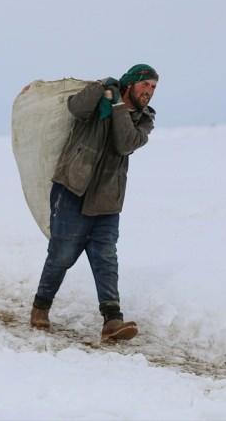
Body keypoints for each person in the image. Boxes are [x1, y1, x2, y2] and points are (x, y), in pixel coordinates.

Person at [29, 64, 158, 341]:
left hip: (107, 199)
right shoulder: (98, 100)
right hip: (72, 188)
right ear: (130, 83)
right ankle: (40, 307)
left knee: (106, 259)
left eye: (153, 87)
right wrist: (99, 88)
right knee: (62, 254)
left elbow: (125, 142)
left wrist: (119, 106)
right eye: (145, 85)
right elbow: (76, 108)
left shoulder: (144, 120)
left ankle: (112, 321)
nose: (150, 92)